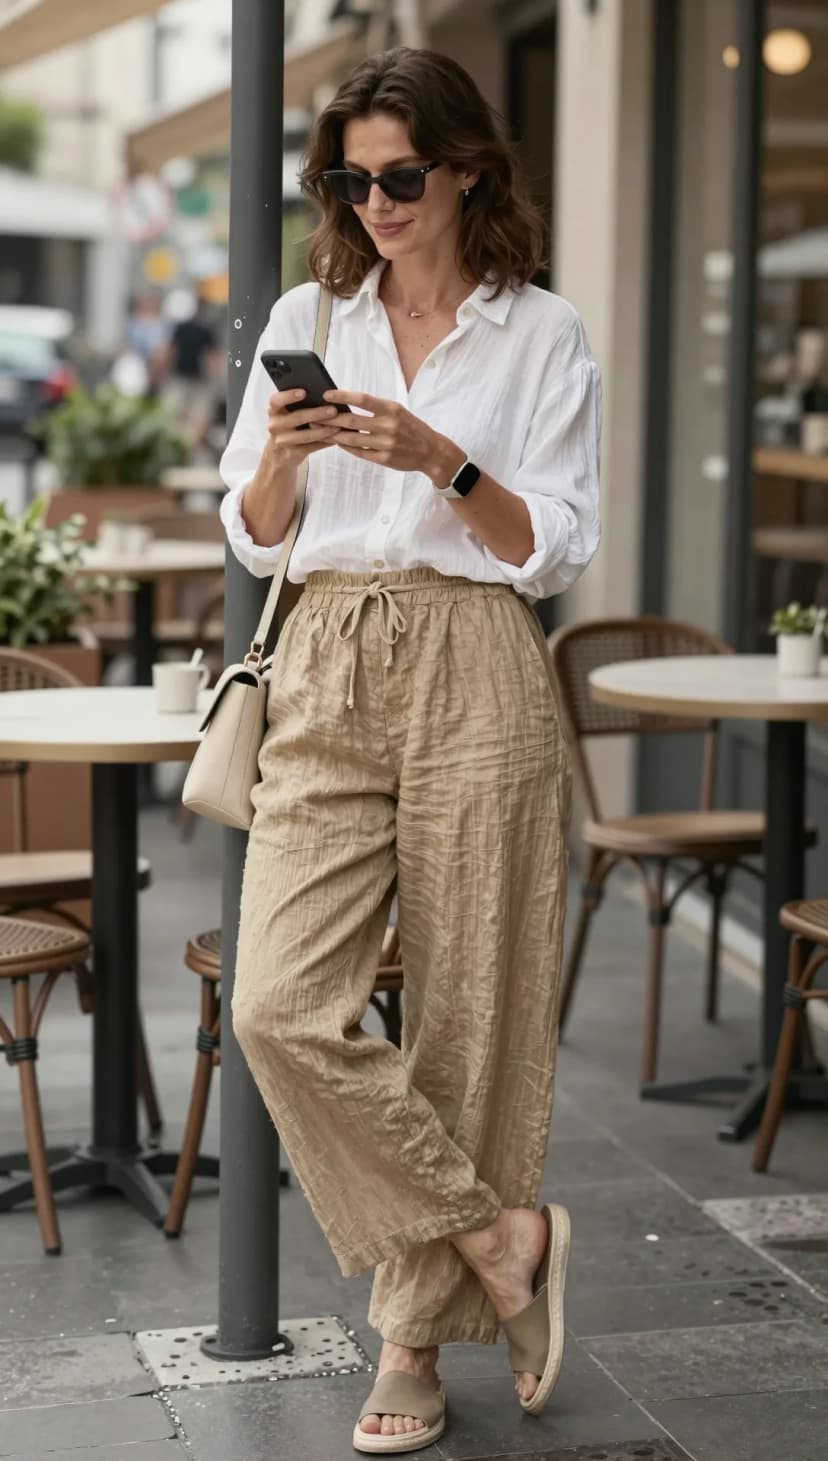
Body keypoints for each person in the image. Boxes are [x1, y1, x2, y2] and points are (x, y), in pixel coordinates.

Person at [220, 46, 601, 1456]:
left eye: (401, 175)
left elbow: (553, 545)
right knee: (278, 1002)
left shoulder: (542, 333)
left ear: (469, 172)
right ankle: (499, 1235)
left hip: (477, 655)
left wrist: (441, 458)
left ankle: (412, 1343)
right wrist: (284, 453)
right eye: (350, 179)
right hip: (327, 650)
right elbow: (253, 528)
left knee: (469, 1014)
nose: (374, 202)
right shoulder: (309, 314)